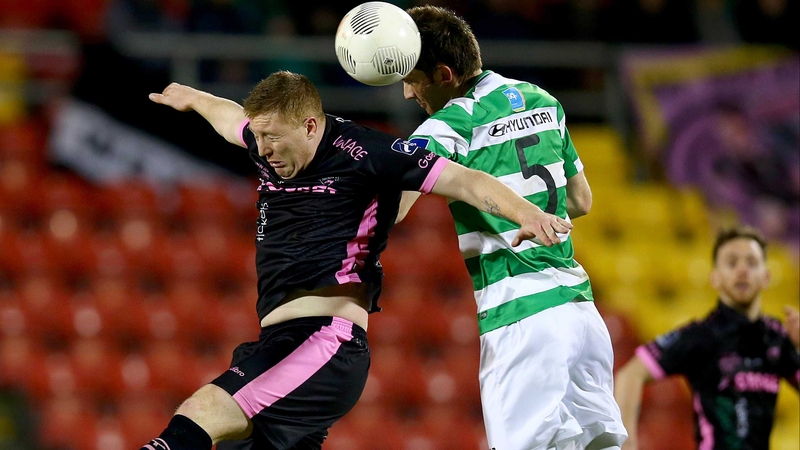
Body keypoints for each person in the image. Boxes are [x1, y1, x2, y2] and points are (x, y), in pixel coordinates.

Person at [139, 71, 572, 450]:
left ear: (309, 126)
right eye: (258, 135)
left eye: (272, 137)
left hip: (325, 340)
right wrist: (195, 99)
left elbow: (466, 180)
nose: (262, 147)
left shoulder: (369, 154)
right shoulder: (265, 140)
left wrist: (527, 213)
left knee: (205, 409)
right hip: (278, 342)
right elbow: (230, 117)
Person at [396, 6, 627, 450]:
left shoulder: (450, 123)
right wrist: (534, 211)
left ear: (444, 74)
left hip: (522, 315)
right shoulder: (544, 100)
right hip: (581, 314)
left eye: (412, 78)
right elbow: (581, 200)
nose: (408, 93)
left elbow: (396, 205)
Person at [614, 226, 800, 450]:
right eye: (732, 263)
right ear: (715, 278)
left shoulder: (777, 337)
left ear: (766, 277)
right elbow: (629, 376)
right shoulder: (701, 336)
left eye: (752, 263)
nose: (742, 271)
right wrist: (626, 443)